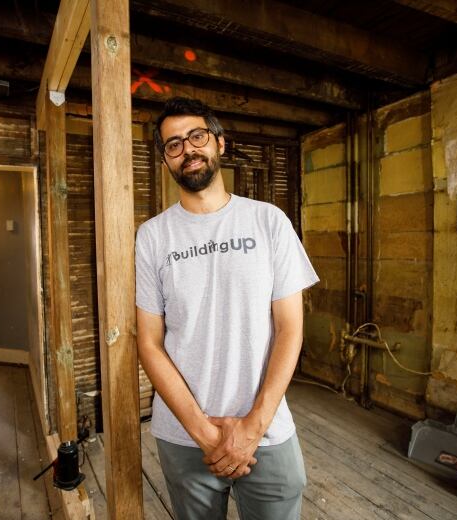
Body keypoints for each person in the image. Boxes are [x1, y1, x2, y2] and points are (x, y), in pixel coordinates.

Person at [135, 97, 319, 520]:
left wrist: (252, 428)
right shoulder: (152, 237)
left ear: (219, 142)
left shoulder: (269, 221)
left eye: (197, 136)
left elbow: (290, 329)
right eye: (174, 144)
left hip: (266, 429)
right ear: (166, 160)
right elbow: (149, 343)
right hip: (184, 434)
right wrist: (203, 433)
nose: (188, 149)